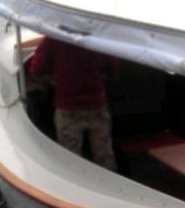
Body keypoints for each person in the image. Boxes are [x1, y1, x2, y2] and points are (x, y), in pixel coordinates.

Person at [28, 37, 119, 170]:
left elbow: (35, 70)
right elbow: (113, 72)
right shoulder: (99, 39)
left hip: (68, 108)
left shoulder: (53, 39)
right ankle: (111, 186)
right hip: (96, 104)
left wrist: (53, 79)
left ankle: (73, 187)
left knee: (70, 159)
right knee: (104, 155)